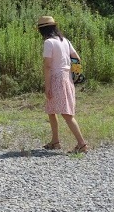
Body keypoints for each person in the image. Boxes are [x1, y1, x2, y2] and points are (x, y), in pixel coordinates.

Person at [36, 15, 88, 153]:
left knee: (66, 113)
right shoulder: (65, 41)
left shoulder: (48, 43)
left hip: (56, 77)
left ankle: (82, 144)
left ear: (42, 30)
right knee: (51, 110)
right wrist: (74, 73)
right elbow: (77, 58)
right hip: (66, 77)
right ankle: (55, 141)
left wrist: (47, 87)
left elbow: (47, 66)